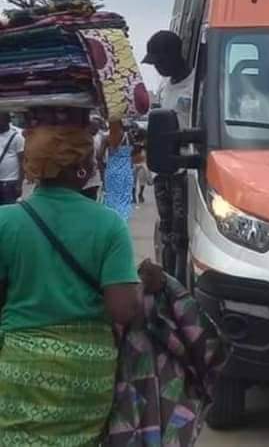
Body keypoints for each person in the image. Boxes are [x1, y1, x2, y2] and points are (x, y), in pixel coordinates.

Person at [0, 112, 140, 444]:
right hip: (88, 371)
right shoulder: (109, 225)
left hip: (21, 367)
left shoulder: (6, 223)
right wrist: (147, 285)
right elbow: (124, 310)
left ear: (33, 166)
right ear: (84, 169)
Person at [142, 30, 193, 282]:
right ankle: (168, 285)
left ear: (175, 55)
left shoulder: (198, 84)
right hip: (163, 169)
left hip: (186, 171)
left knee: (181, 235)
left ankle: (181, 285)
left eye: (160, 61)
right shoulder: (164, 87)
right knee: (166, 232)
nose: (158, 68)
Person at [103, 121, 134, 221]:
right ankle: (122, 221)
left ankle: (111, 220)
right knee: (124, 198)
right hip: (125, 172)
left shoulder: (107, 138)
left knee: (111, 197)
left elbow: (99, 155)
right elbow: (135, 150)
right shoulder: (128, 136)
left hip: (111, 170)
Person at [0, 113, 24, 205]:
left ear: (7, 121)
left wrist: (19, 184)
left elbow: (22, 161)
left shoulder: (17, 137)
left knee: (8, 208)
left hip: (10, 181)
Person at [82, 115, 107, 201]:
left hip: (93, 179)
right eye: (94, 127)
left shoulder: (100, 138)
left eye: (97, 127)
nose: (96, 129)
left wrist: (103, 178)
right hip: (84, 178)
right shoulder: (83, 139)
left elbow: (99, 159)